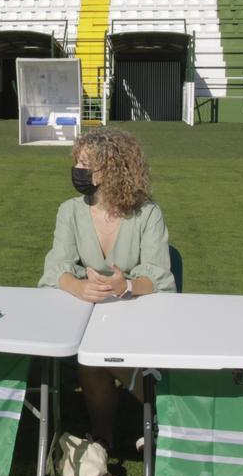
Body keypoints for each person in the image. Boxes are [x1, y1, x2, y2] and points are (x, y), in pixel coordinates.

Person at [39, 128, 175, 457]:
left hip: (135, 307)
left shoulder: (147, 213)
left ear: (112, 169)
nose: (78, 170)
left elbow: (158, 274)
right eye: (78, 162)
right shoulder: (69, 210)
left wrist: (125, 285)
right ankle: (104, 437)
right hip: (89, 309)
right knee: (91, 354)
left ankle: (163, 412)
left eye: (87, 164)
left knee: (98, 353)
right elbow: (56, 267)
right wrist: (77, 286)